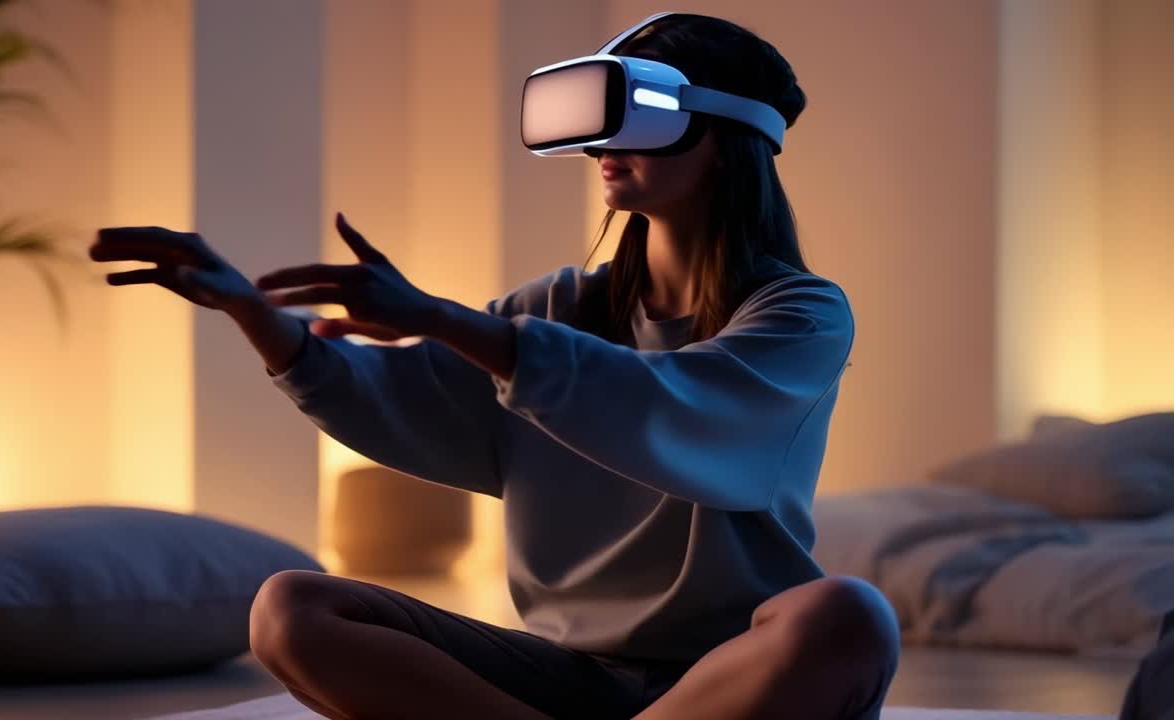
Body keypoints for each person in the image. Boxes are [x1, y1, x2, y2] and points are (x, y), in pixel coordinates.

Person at [90, 12, 899, 720]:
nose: (604, 147)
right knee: (289, 608)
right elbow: (402, 396)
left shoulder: (801, 314)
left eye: (635, 114)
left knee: (847, 618)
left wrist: (438, 317)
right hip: (559, 670)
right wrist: (253, 314)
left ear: (725, 140)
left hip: (732, 671)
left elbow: (672, 406)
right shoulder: (553, 309)